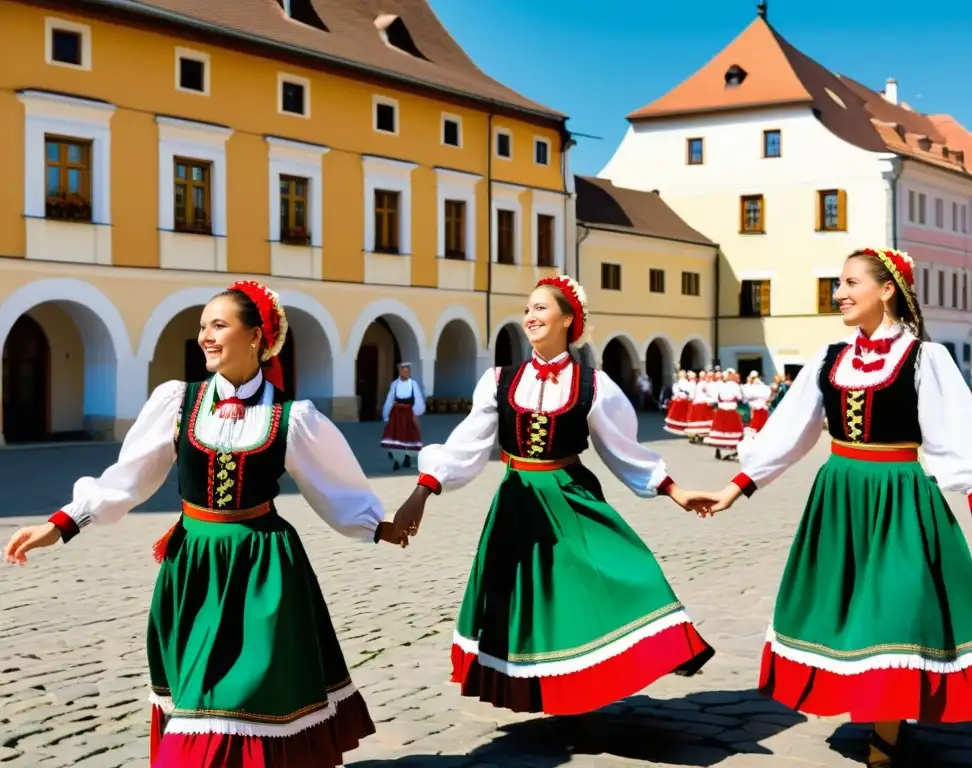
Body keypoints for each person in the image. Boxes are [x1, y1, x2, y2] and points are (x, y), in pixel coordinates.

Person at [4, 280, 408, 768]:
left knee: (252, 698)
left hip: (264, 572)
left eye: (219, 325)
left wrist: (375, 524)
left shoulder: (291, 416)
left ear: (256, 336)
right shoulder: (178, 402)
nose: (205, 337)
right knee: (198, 699)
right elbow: (129, 477)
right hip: (193, 568)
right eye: (202, 326)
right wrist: (63, 523)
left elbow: (334, 483)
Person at [693, 249, 972, 767]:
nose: (839, 294)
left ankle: (886, 736)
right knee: (850, 608)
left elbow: (953, 433)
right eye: (838, 284)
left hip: (901, 497)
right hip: (841, 496)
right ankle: (883, 714)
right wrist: (735, 487)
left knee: (896, 605)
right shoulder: (830, 358)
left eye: (850, 283)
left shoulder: (923, 358)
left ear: (887, 290)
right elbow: (789, 433)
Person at [389, 275, 715, 716]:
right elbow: (467, 443)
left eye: (541, 308)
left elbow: (622, 448)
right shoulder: (499, 380)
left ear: (568, 319)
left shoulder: (592, 384)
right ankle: (544, 690)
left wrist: (672, 490)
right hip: (518, 501)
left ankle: (652, 648)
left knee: (616, 574)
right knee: (527, 599)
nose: (530, 316)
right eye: (527, 309)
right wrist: (421, 493)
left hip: (570, 497)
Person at [382, 362, 426, 471]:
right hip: (396, 413)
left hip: (408, 413)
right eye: (403, 370)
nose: (405, 373)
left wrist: (415, 412)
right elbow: (390, 399)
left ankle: (407, 457)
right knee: (396, 436)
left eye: (407, 371)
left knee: (409, 435)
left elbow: (418, 399)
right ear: (400, 371)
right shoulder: (395, 384)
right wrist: (386, 414)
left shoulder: (413, 384)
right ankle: (396, 459)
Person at [705, 369, 744, 460]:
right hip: (731, 410)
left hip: (722, 410)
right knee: (732, 430)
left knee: (720, 430)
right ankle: (731, 449)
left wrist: (709, 403)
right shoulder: (735, 386)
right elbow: (740, 397)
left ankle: (719, 449)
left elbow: (714, 397)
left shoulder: (721, 385)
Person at [663, 370, 692, 436]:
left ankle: (679, 427)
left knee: (679, 415)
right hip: (682, 400)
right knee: (682, 415)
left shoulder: (679, 383)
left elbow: (675, 391)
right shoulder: (684, 382)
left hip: (679, 400)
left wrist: (677, 396)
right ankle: (681, 427)